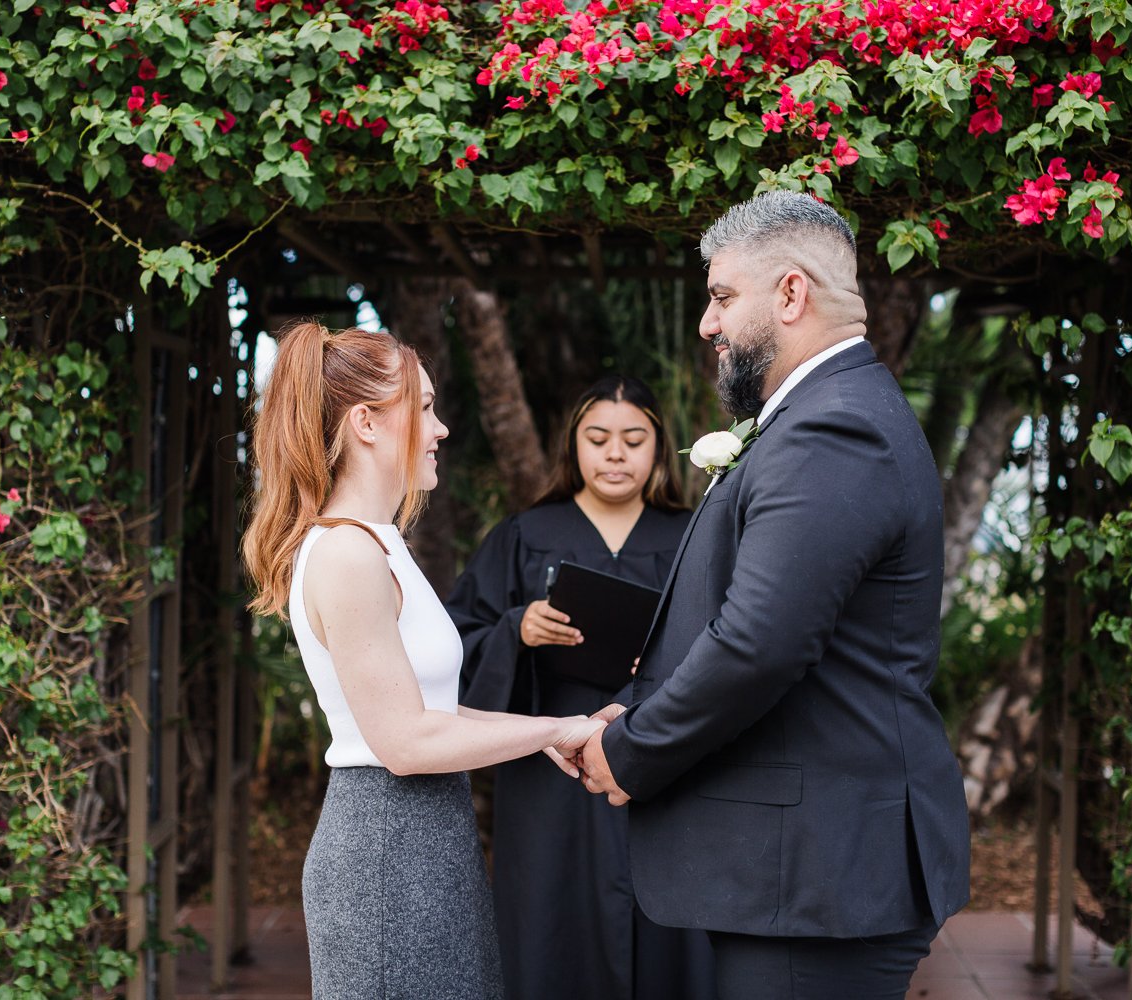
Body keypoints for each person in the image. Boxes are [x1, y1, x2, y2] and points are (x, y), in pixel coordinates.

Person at [577, 192, 972, 1000]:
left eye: (722, 297)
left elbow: (759, 643)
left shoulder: (836, 429)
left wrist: (632, 750)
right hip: (807, 874)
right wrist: (641, 707)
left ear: (791, 294)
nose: (706, 325)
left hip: (818, 877)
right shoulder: (825, 414)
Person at [240, 321, 605, 1000]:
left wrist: (549, 733)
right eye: (426, 408)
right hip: (386, 849)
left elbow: (428, 711)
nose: (439, 429)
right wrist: (556, 730)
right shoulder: (347, 553)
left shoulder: (379, 543)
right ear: (366, 424)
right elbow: (405, 742)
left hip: (426, 838)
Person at [446, 375, 714, 1000]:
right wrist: (517, 628)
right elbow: (457, 642)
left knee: (669, 920)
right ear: (574, 447)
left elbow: (736, 641)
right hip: (551, 767)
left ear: (658, 449)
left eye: (633, 438)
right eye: (597, 438)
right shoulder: (525, 534)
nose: (615, 453)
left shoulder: (693, 535)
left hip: (663, 756)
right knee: (548, 919)